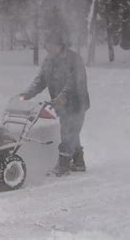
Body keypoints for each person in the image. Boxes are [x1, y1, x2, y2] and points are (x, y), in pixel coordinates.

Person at [19, 33, 90, 176]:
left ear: (60, 45)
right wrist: (27, 94)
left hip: (76, 102)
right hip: (61, 104)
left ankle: (63, 166)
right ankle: (79, 163)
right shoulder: (49, 61)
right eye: (47, 46)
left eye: (51, 46)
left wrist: (62, 96)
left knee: (68, 132)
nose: (49, 49)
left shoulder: (73, 59)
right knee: (71, 132)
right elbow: (40, 80)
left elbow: (74, 82)